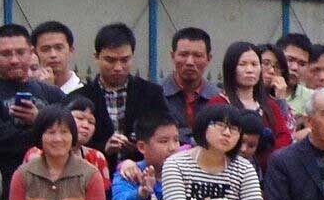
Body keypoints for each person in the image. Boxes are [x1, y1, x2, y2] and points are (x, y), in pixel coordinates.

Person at [161, 103, 267, 200]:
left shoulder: (245, 169)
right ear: (204, 125)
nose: (227, 133)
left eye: (234, 129)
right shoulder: (175, 164)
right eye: (220, 125)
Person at [0, 24, 67, 180]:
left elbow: (70, 132)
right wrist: (44, 127)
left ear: (32, 52)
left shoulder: (52, 93)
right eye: (5, 54)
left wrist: (39, 119)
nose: (14, 60)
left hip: (52, 179)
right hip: (3, 180)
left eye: (21, 52)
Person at [85, 23, 170, 162]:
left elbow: (165, 133)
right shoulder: (81, 96)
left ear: (132, 56)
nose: (118, 67)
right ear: (96, 57)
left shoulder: (151, 93)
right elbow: (73, 143)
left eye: (125, 60)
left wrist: (137, 145)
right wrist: (103, 148)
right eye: (110, 60)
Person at [219, 41, 295, 165]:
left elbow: (285, 138)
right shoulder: (219, 103)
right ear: (231, 67)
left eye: (254, 64)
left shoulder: (270, 105)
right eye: (242, 64)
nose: (249, 70)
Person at [162, 28, 225, 137]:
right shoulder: (155, 96)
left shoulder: (220, 99)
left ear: (209, 58)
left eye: (197, 55)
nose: (190, 62)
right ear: (173, 56)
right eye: (183, 55)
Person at [30, 21, 83, 96]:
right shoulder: (29, 92)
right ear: (35, 53)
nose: (53, 55)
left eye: (59, 48)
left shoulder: (85, 92)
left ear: (71, 50)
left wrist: (50, 90)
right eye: (45, 49)